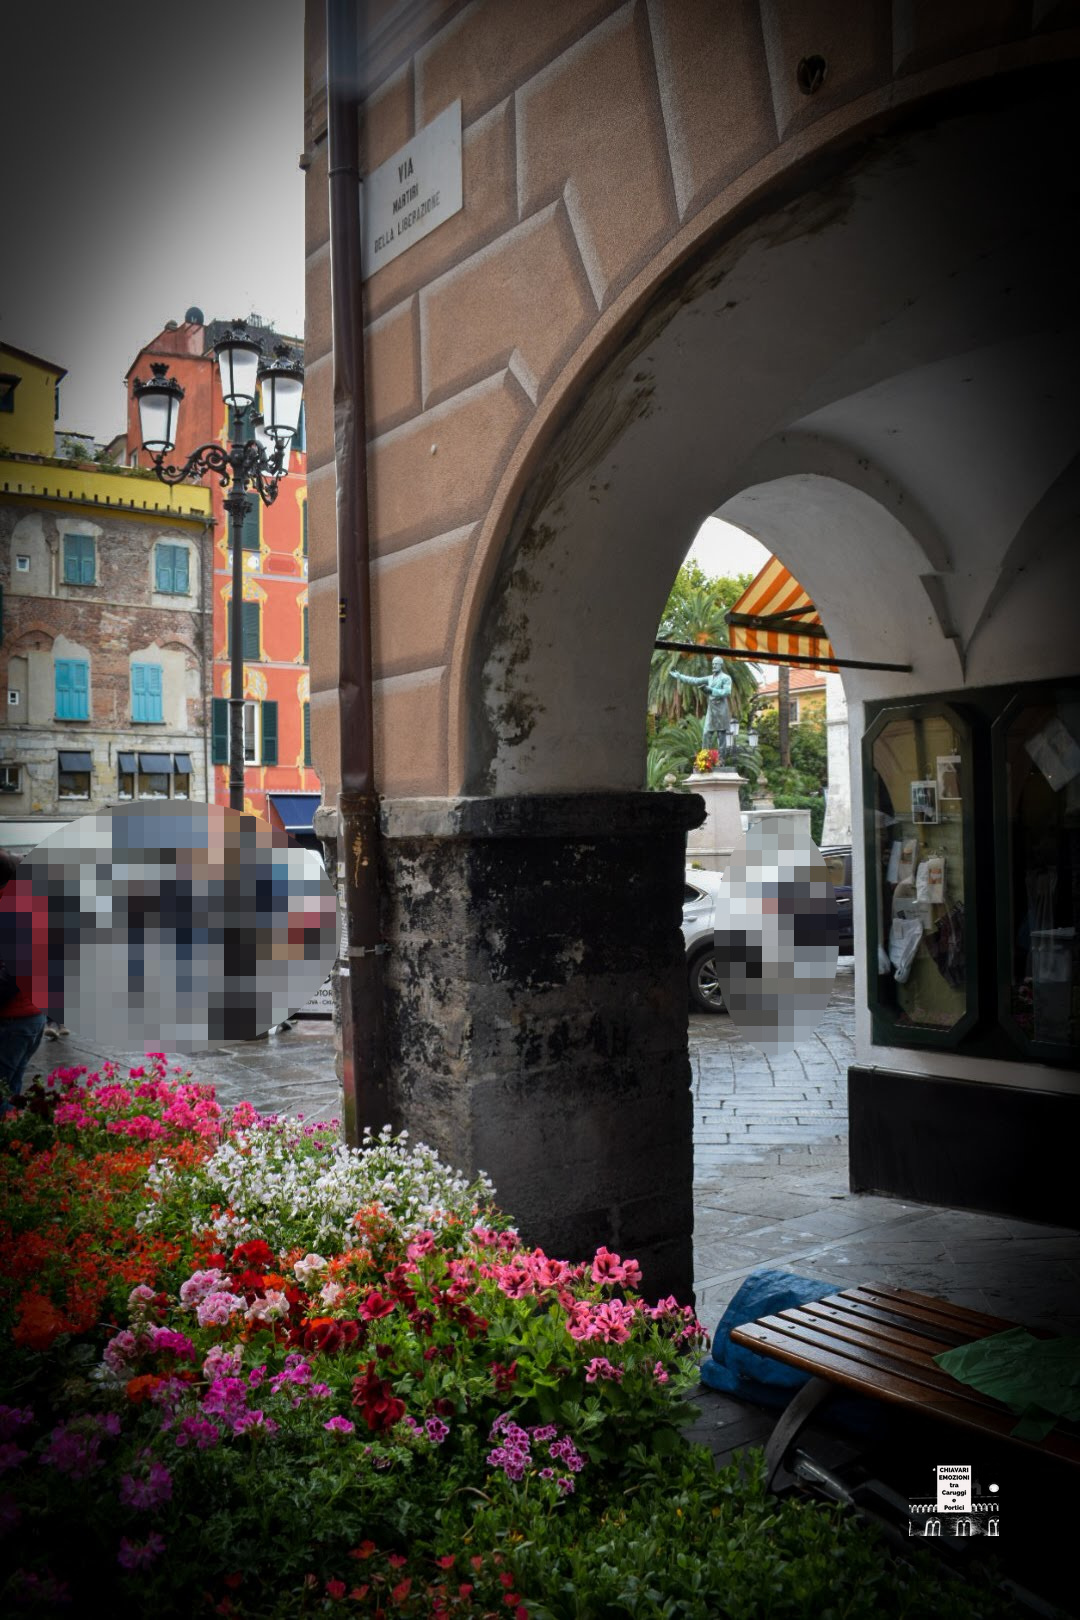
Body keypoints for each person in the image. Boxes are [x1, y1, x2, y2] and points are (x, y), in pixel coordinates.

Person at [0, 849, 50, 1109]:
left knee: (4, 1090)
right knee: (12, 1088)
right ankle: (15, 1143)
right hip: (31, 1013)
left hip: (14, 1017)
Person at [670, 657, 733, 754]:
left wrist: (711, 690)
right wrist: (680, 676)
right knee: (706, 733)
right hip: (711, 710)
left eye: (716, 664)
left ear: (721, 665)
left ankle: (721, 761)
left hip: (722, 710)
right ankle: (704, 758)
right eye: (713, 664)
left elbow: (727, 691)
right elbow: (695, 680)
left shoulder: (726, 678)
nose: (714, 665)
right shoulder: (710, 678)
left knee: (721, 736)